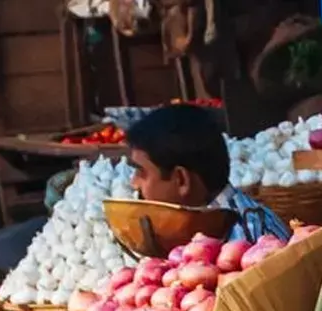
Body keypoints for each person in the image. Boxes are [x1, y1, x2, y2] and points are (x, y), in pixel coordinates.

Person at [125, 105, 292, 246]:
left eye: (141, 172)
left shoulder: (251, 235)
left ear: (181, 180)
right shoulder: (186, 231)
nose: (134, 183)